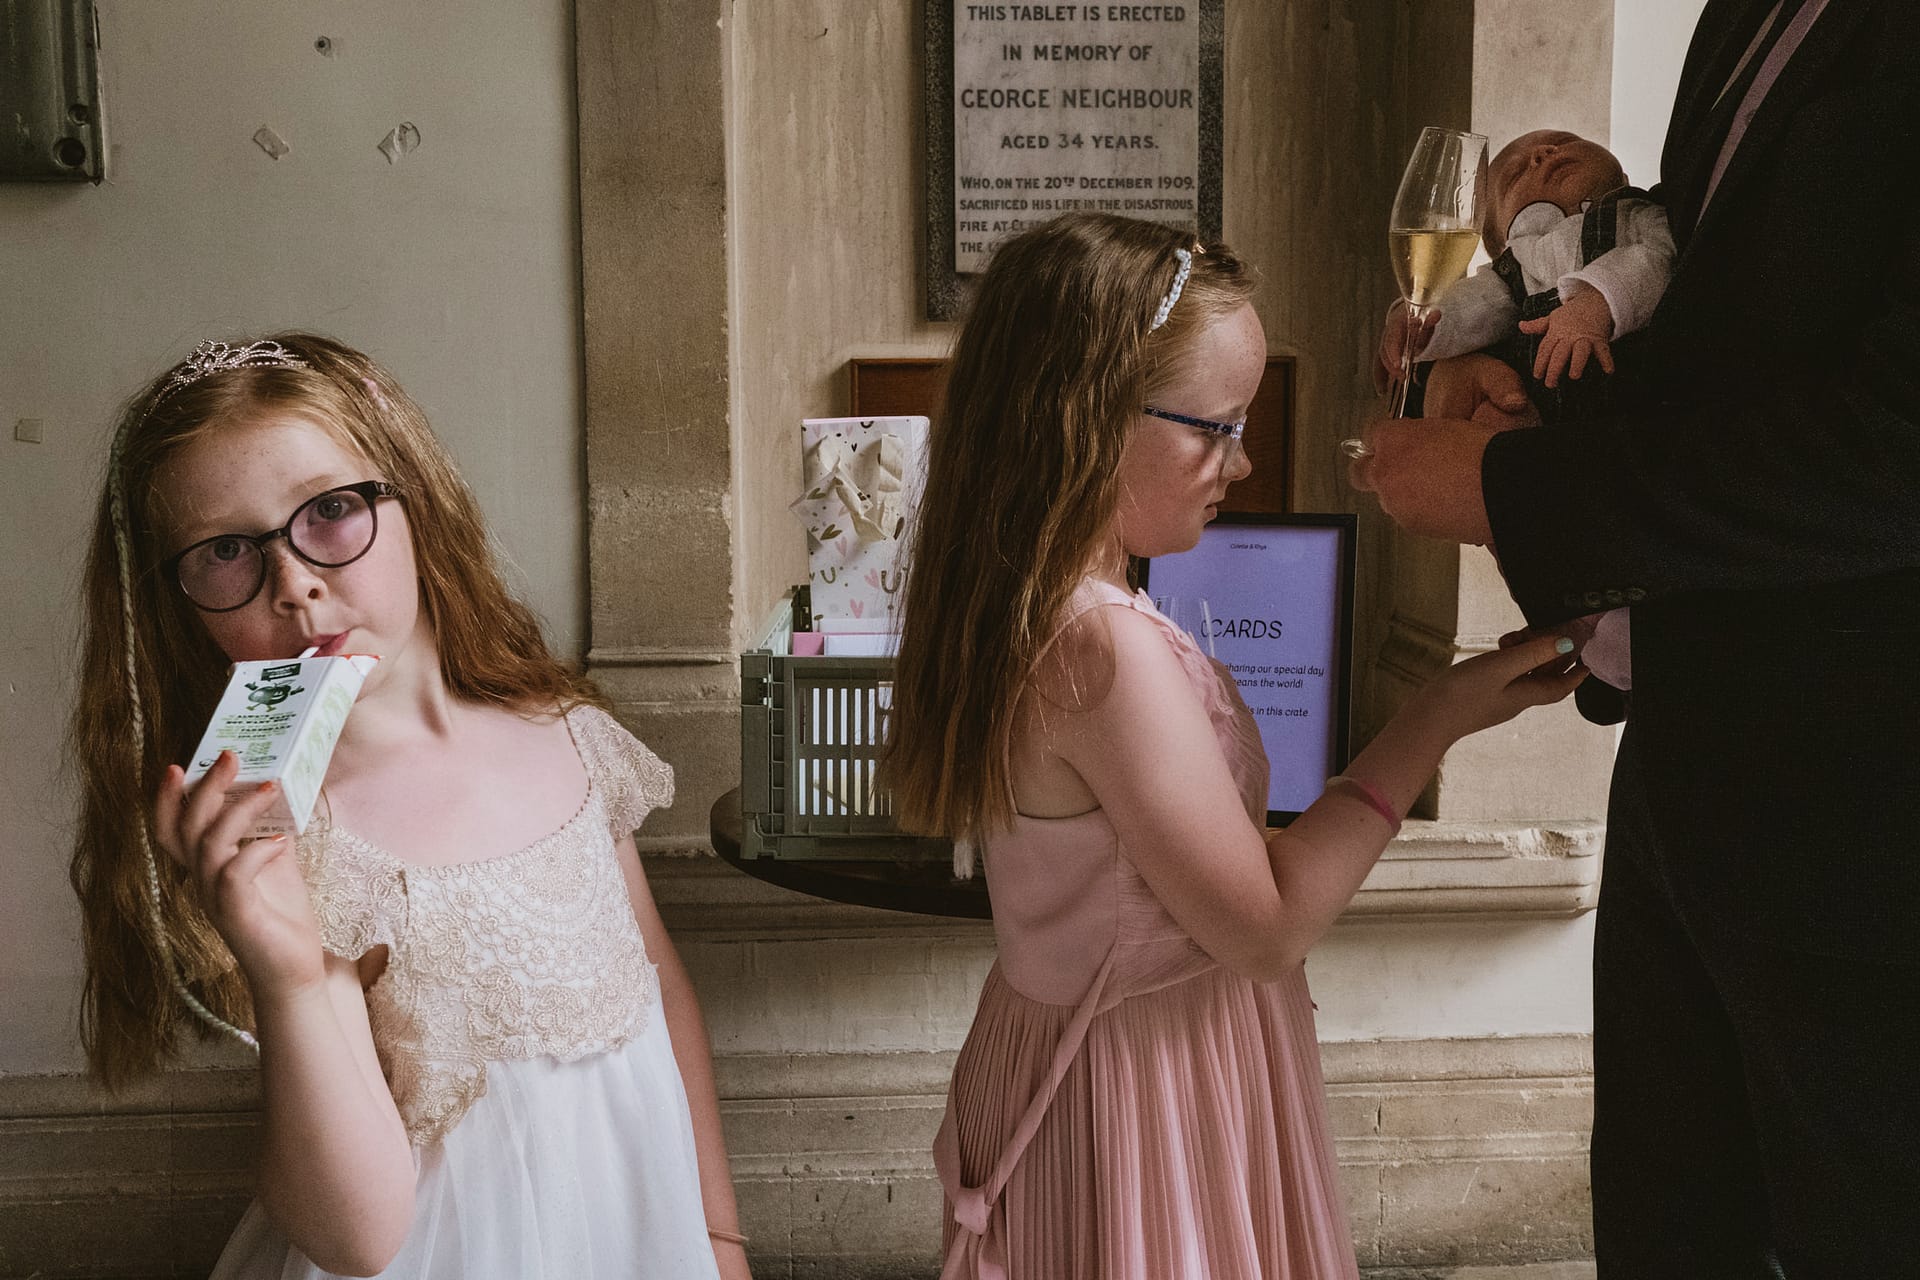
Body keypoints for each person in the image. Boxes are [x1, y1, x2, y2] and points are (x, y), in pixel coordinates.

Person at [885, 212, 1587, 1279]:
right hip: (1145, 1090)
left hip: (1097, 1055)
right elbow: (1265, 928)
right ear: (1086, 416)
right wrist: (1431, 717)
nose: (1243, 461)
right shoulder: (1103, 649)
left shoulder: (1034, 608)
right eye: (1213, 426)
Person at [1351, 2, 1920, 1275]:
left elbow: (1895, 446)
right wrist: (1511, 399)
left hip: (1872, 833)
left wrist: (1514, 495)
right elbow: (1724, 308)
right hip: (1689, 778)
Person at [68, 334, 751, 1278]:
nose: (295, 582)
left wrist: (718, 1236)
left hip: (635, 1229)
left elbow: (659, 989)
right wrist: (290, 977)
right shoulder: (275, 837)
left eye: (332, 511)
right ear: (179, 600)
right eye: (226, 550)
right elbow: (358, 1239)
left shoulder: (567, 732)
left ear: (414, 500)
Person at [1383, 129, 1676, 713]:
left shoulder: (1633, 215)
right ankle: (1585, 634)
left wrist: (1593, 304)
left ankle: (1604, 638)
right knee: (1548, 534)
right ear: (1496, 234)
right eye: (1515, 171)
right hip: (1548, 437)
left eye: (1561, 143)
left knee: (1599, 520)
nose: (1540, 155)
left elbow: (1655, 259)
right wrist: (1421, 324)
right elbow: (1474, 307)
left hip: (1619, 419)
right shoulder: (1515, 269)